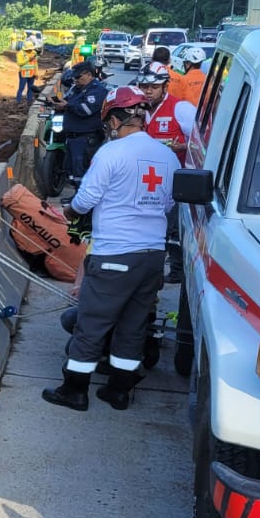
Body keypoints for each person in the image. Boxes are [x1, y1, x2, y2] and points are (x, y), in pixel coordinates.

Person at [42, 85, 177, 412]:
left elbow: (86, 200)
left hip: (115, 253)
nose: (109, 130)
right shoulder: (167, 156)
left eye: (108, 124)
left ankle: (74, 391)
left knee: (92, 323)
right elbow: (171, 202)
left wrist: (69, 211)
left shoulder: (111, 153)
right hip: (151, 257)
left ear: (116, 120)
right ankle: (118, 391)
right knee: (133, 325)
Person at [138, 67, 197, 285]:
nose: (148, 91)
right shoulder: (138, 111)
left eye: (154, 87)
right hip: (148, 181)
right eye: (144, 87)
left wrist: (183, 146)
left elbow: (202, 141)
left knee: (173, 230)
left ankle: (177, 271)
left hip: (175, 180)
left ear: (164, 87)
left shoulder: (180, 108)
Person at [47, 61, 108, 186]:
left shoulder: (97, 91)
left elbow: (86, 109)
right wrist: (57, 103)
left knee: (82, 171)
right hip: (72, 136)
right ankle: (76, 197)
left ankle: (82, 202)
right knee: (73, 171)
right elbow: (67, 100)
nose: (76, 79)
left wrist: (67, 105)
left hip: (85, 138)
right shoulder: (76, 89)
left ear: (89, 75)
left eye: (78, 76)